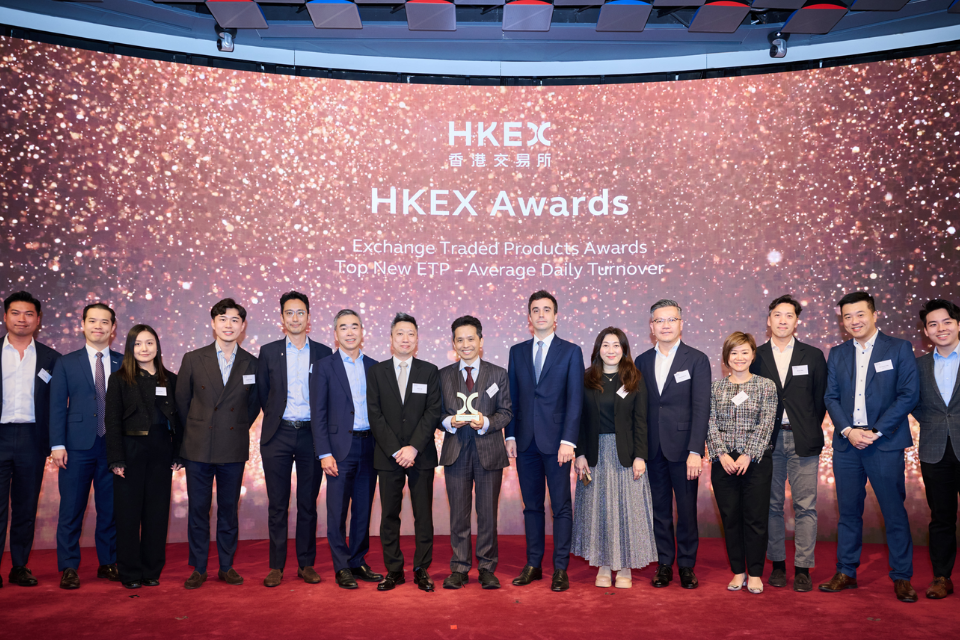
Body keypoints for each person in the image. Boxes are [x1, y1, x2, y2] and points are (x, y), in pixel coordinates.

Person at [820, 291, 919, 602]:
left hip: (884, 443)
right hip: (847, 444)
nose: (854, 321)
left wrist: (875, 431)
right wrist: (848, 430)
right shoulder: (837, 353)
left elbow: (908, 394)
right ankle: (846, 571)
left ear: (875, 314)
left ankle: (902, 576)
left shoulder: (899, 348)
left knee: (894, 512)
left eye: (860, 314)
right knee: (848, 512)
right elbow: (830, 397)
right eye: (847, 316)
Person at [175, 298, 260, 589]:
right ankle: (199, 567)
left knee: (228, 510)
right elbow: (182, 402)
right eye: (222, 319)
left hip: (232, 446)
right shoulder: (193, 358)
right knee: (198, 510)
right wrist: (198, 428)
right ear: (213, 323)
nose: (228, 325)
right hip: (197, 446)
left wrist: (233, 426)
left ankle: (226, 566)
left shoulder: (252, 363)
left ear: (243, 326)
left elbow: (253, 405)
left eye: (235, 320)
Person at [506, 290, 584, 592]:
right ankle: (533, 564)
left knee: (561, 507)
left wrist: (569, 441)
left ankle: (560, 568)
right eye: (535, 310)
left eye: (546, 309)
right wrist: (511, 434)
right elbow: (512, 397)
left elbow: (575, 400)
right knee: (532, 507)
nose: (541, 314)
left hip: (557, 444)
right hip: (525, 443)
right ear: (529, 317)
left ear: (555, 316)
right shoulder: (517, 352)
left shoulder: (571, 351)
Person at [750, 295, 827, 592]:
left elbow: (819, 400)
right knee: (771, 506)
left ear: (797, 321)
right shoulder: (756, 356)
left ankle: (804, 568)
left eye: (789, 315)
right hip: (767, 442)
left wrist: (803, 425)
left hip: (803, 440)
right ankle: (778, 565)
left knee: (805, 506)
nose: (783, 320)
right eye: (777, 315)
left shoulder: (813, 355)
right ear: (768, 320)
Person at [256, 292, 332, 588]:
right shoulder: (269, 351)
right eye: (290, 313)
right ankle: (276, 566)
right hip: (278, 434)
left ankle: (306, 564)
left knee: (307, 504)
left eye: (301, 312)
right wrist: (280, 418)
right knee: (277, 504)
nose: (295, 318)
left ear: (308, 317)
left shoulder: (324, 352)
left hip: (312, 436)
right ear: (282, 317)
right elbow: (264, 393)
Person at [572, 327, 657, 589]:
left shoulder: (634, 378)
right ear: (598, 349)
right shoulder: (586, 379)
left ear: (624, 349)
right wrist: (580, 453)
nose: (611, 350)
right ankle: (604, 565)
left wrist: (640, 456)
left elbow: (641, 421)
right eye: (606, 345)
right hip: (595, 455)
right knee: (600, 512)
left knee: (626, 512)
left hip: (626, 455)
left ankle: (626, 567)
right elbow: (578, 419)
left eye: (616, 345)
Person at [634, 299, 711, 589]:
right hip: (653, 449)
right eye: (659, 320)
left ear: (681, 323)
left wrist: (695, 450)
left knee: (687, 510)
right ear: (651, 326)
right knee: (660, 510)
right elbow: (639, 410)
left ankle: (687, 566)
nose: (665, 325)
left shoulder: (697, 359)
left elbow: (701, 407)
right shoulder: (641, 361)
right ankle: (664, 563)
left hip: (684, 450)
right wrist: (639, 451)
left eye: (671, 320)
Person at [49, 302, 122, 589]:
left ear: (113, 328)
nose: (98, 326)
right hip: (76, 447)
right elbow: (57, 406)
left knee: (110, 509)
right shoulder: (66, 362)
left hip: (113, 447)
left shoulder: (123, 362)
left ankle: (108, 562)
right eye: (92, 321)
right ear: (82, 325)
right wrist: (57, 444)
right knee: (71, 509)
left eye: (105, 322)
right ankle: (68, 567)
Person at [366, 313, 441, 592]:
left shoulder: (429, 371)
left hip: (421, 455)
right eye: (400, 333)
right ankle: (394, 570)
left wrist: (413, 447)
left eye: (410, 333)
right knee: (389, 515)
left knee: (423, 515)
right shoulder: (377, 372)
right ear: (391, 338)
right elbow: (374, 414)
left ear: (417, 339)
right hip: (388, 456)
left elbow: (433, 411)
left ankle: (421, 569)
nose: (405, 339)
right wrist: (397, 450)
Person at [437, 315, 513, 590]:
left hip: (489, 451)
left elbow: (506, 412)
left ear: (481, 341)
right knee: (458, 514)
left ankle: (486, 568)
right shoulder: (443, 375)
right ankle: (459, 567)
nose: (465, 344)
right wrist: (449, 421)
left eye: (471, 339)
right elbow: (436, 414)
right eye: (460, 340)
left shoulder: (498, 374)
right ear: (453, 343)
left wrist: (487, 423)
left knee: (487, 514)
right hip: (455, 451)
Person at [105, 325, 183, 589]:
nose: (144, 348)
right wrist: (116, 458)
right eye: (138, 343)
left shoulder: (171, 379)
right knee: (128, 514)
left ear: (157, 347)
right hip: (130, 449)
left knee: (157, 514)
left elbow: (180, 421)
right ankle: (129, 572)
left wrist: (178, 453)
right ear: (130, 348)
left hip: (161, 449)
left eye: (149, 343)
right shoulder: (119, 379)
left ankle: (151, 570)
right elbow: (112, 421)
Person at [312, 309, 382, 589]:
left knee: (363, 510)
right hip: (339, 449)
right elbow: (318, 413)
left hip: (370, 446)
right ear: (335, 333)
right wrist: (324, 453)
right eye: (343, 327)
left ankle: (357, 561)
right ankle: (341, 566)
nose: (350, 332)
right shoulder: (324, 366)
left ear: (362, 331)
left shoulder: (375, 367)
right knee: (337, 511)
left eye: (355, 326)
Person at [708, 332, 777, 594]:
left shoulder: (766, 386)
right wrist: (721, 453)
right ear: (726, 357)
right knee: (731, 518)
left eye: (744, 352)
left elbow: (766, 422)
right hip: (723, 462)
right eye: (734, 352)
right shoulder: (715, 388)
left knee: (755, 518)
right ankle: (738, 571)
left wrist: (748, 453)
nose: (739, 357)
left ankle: (756, 573)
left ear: (753, 355)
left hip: (756, 461)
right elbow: (709, 422)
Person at [0, 291, 60, 587]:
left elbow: (58, 404)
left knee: (25, 508)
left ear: (38, 320)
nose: (21, 319)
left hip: (32, 440)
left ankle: (19, 566)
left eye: (28, 314)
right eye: (15, 313)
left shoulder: (51, 358)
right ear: (5, 317)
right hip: (0, 435)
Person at [913, 298, 960, 600]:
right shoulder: (918, 366)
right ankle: (942, 577)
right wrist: (935, 423)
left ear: (958, 325)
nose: (940, 328)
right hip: (934, 450)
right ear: (926, 331)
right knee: (941, 518)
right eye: (933, 324)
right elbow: (912, 403)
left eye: (946, 322)